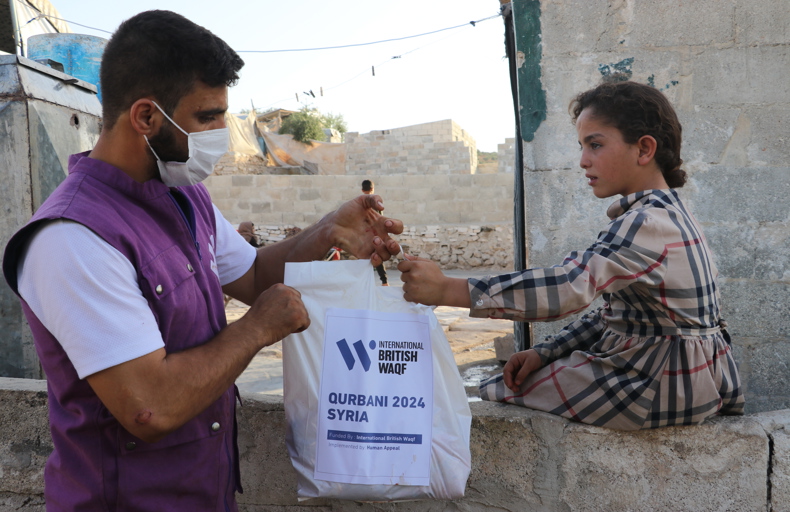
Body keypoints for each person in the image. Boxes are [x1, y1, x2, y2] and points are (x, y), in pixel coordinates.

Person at [1, 10, 401, 510]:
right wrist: (258, 328)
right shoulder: (72, 238)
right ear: (146, 117)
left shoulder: (185, 197)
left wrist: (329, 232)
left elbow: (254, 275)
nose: (221, 134)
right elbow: (150, 407)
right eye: (208, 117)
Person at [398, 80, 744, 431]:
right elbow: (616, 314)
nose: (582, 161)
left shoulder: (646, 222)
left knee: (501, 389)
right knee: (536, 373)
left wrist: (448, 290)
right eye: (582, 146)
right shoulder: (670, 214)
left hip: (659, 385)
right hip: (692, 380)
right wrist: (545, 351)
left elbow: (568, 286)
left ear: (643, 149)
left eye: (595, 145)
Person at [362, 179, 389, 285]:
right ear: (372, 189)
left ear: (362, 190)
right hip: (375, 234)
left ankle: (364, 282)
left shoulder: (360, 202)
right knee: (377, 257)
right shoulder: (376, 201)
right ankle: (384, 281)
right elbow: (380, 218)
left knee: (364, 257)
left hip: (364, 234)